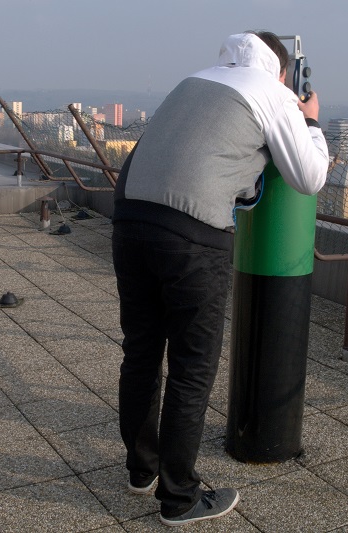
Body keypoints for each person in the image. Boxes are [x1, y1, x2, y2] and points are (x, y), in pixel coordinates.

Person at [111, 31, 329, 527]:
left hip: (129, 220)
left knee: (142, 351)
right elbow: (309, 176)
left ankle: (141, 471)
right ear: (282, 70)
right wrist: (310, 120)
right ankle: (179, 499)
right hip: (191, 231)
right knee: (192, 366)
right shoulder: (273, 94)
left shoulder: (193, 81)